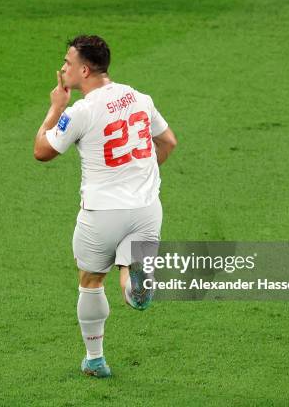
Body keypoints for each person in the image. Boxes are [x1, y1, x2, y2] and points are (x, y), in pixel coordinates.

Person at [33, 35, 177, 378]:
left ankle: (95, 359)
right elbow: (168, 141)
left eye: (67, 63)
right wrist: (140, 174)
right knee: (129, 273)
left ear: (84, 69)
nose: (63, 68)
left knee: (92, 279)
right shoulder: (139, 98)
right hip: (146, 209)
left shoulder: (81, 111)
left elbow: (42, 151)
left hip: (101, 215)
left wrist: (55, 107)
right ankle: (134, 288)